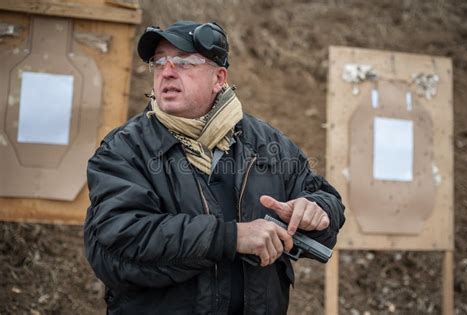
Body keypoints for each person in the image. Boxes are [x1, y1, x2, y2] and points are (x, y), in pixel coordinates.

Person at [84, 20, 345, 315]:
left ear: (218, 78)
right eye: (159, 62)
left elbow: (327, 201)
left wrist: (316, 209)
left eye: (184, 62)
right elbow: (121, 236)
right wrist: (231, 238)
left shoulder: (266, 142)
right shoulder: (124, 149)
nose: (167, 72)